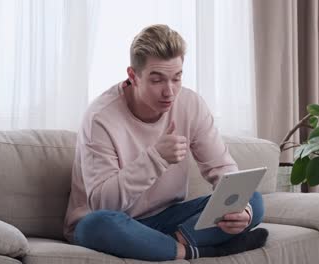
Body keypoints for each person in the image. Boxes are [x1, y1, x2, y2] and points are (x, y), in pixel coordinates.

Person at [63, 24, 268, 261]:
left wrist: (240, 209)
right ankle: (200, 250)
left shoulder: (191, 105)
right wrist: (156, 158)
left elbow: (223, 169)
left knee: (254, 201)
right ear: (133, 76)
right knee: (95, 225)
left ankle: (167, 246)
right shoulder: (101, 118)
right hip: (115, 222)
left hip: (169, 218)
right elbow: (103, 203)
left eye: (177, 78)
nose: (169, 92)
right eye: (157, 80)